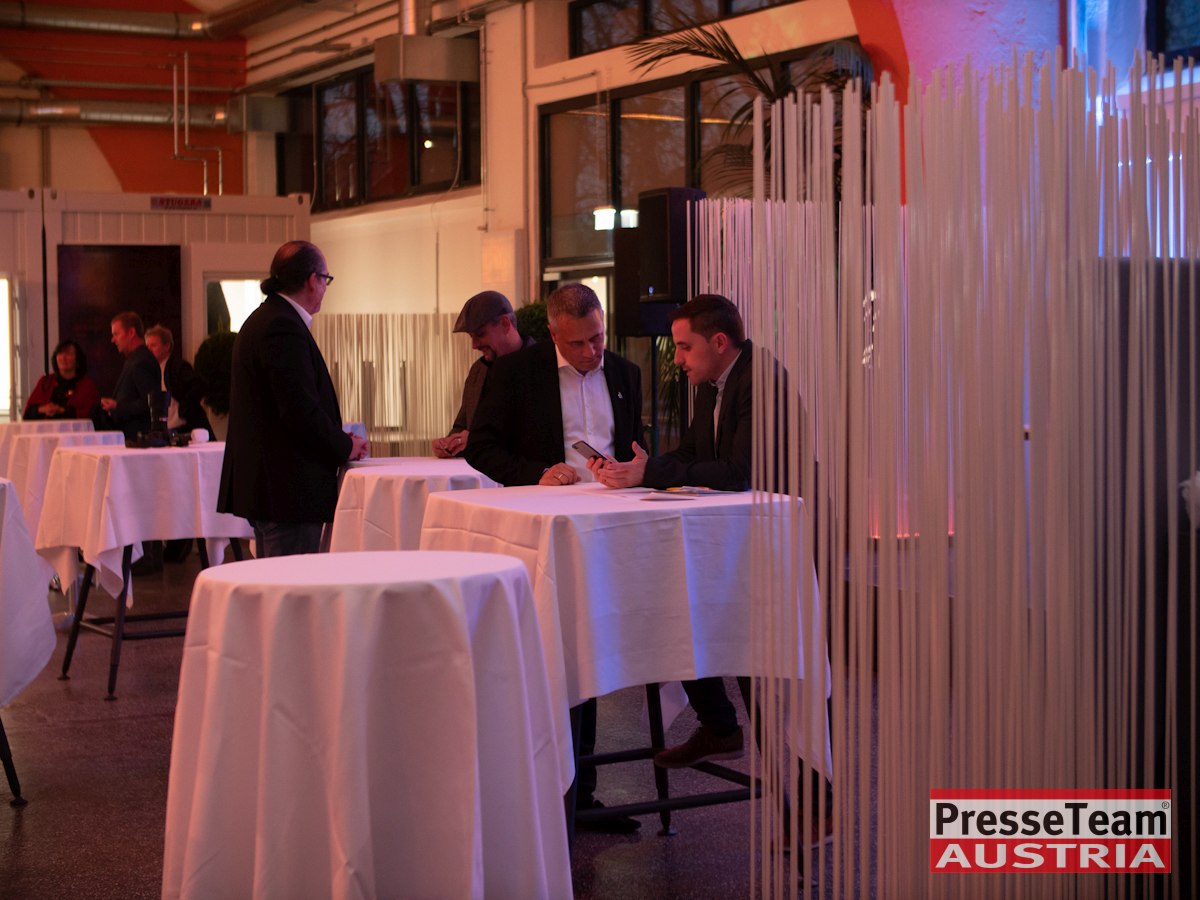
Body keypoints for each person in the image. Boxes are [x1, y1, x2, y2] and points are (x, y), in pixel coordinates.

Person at [465, 282, 645, 832]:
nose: (592, 351)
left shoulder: (626, 374)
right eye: (579, 343)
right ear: (552, 335)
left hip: (611, 528)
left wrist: (635, 468)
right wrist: (536, 474)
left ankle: (581, 792)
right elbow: (482, 446)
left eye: (598, 337)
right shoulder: (518, 374)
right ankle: (559, 793)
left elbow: (636, 443)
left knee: (595, 649)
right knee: (559, 650)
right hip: (545, 531)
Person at [590, 294, 755, 767]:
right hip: (726, 535)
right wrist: (640, 470)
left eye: (684, 347)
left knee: (734, 640)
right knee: (669, 602)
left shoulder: (759, 383)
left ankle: (803, 784)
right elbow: (689, 454)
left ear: (718, 342)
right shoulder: (712, 382)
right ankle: (720, 726)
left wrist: (653, 473)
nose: (677, 359)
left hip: (766, 545)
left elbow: (739, 472)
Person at [217, 240, 369, 558]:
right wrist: (345, 446)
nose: (325, 289)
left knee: (274, 582)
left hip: (273, 487)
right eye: (326, 280)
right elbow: (299, 411)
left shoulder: (266, 318)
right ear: (313, 280)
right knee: (289, 585)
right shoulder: (281, 327)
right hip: (288, 490)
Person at [431, 290, 534, 459]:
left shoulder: (541, 366)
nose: (474, 345)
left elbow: (538, 436)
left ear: (505, 324)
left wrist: (475, 439)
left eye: (480, 334)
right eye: (471, 337)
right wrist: (449, 444)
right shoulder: (478, 370)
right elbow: (462, 426)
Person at [94, 311, 161, 440]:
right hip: (131, 435)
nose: (113, 339)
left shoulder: (142, 361)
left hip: (138, 438)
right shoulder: (135, 359)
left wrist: (117, 406)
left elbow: (150, 402)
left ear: (131, 332)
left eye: (116, 334)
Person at [144, 324, 211, 436]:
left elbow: (200, 384)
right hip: (168, 429)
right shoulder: (153, 370)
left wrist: (183, 409)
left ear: (167, 346)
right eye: (147, 346)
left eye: (153, 345)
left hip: (186, 428)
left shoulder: (177, 366)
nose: (149, 350)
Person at [23, 339, 100, 420]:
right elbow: (28, 414)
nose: (63, 357)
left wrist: (62, 411)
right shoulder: (46, 382)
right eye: (60, 353)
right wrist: (43, 409)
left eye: (68, 354)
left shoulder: (87, 386)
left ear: (77, 360)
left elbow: (92, 415)